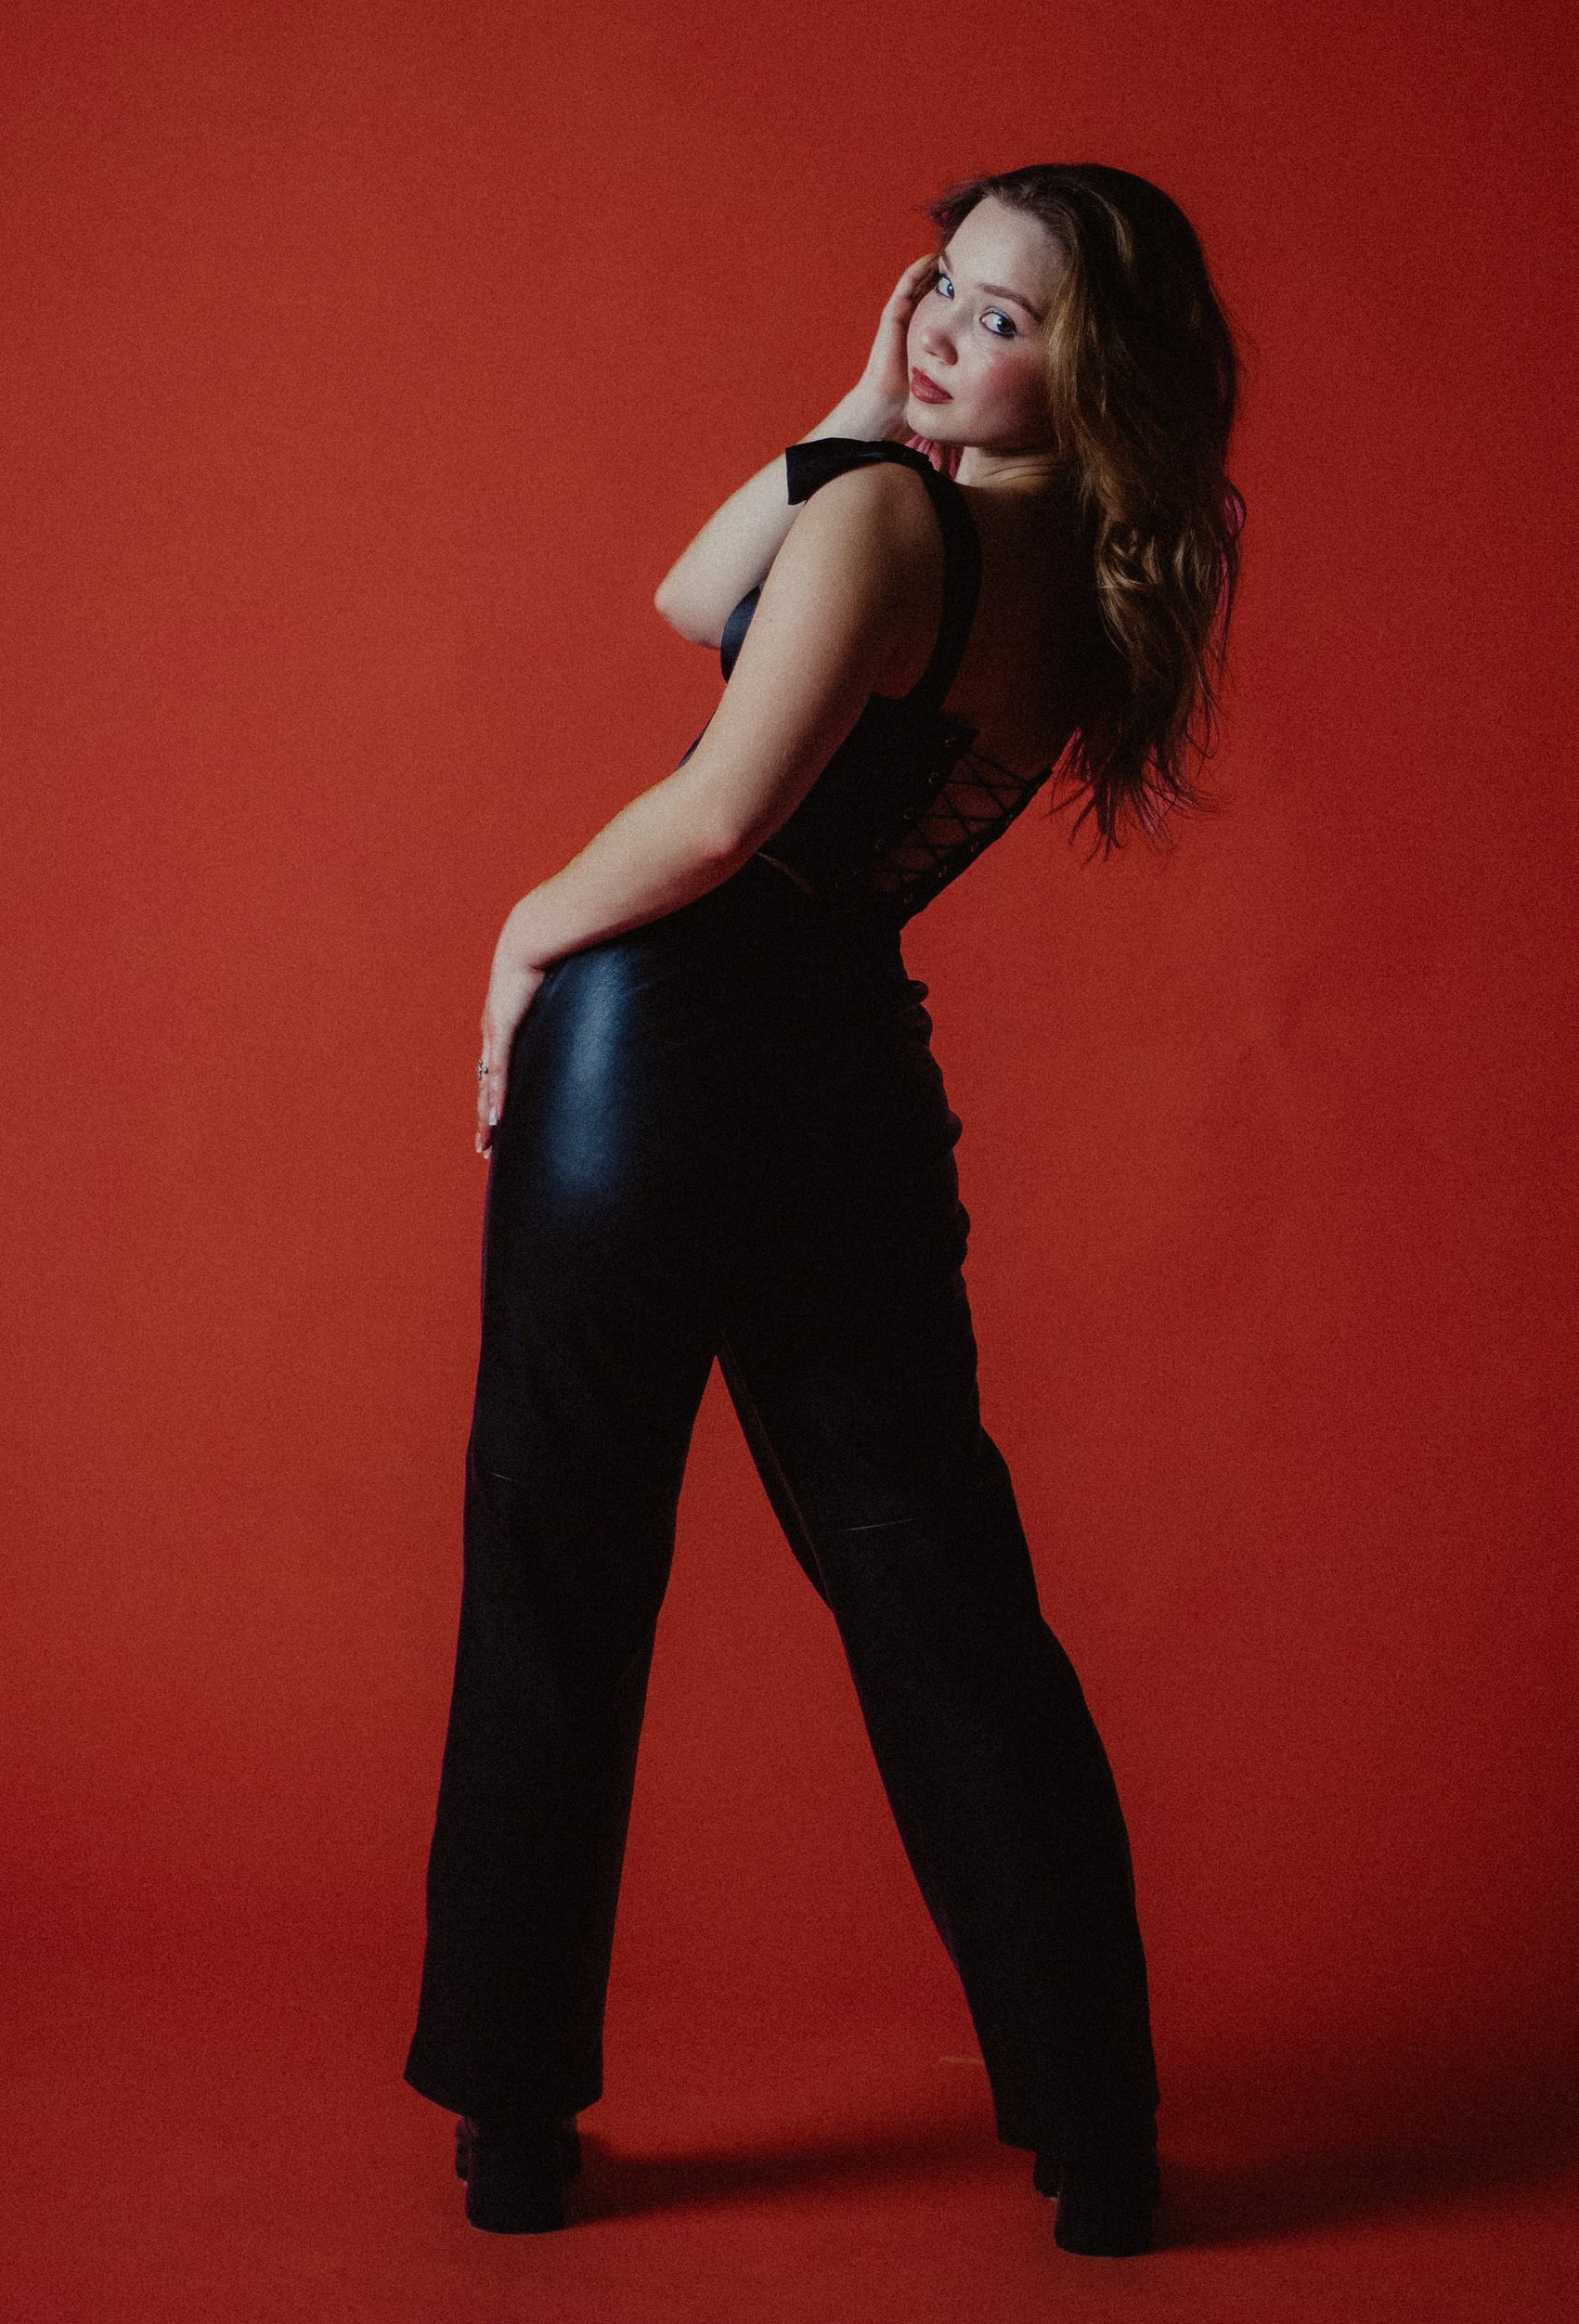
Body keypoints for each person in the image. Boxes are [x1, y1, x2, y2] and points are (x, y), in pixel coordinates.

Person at [403, 161, 1244, 2257]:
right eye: (943, 286)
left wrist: (520, 935)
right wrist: (872, 396)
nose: (949, 330)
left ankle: (513, 2126)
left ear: (1098, 375)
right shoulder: (1085, 580)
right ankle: (1102, 2137)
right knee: (937, 1579)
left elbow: (714, 815)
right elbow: (697, 598)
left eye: (1005, 320)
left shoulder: (888, 525)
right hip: (851, 1079)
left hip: (658, 1057)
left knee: (559, 1561)